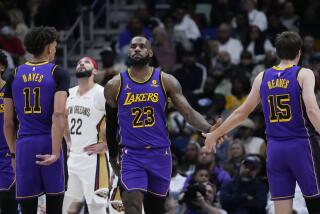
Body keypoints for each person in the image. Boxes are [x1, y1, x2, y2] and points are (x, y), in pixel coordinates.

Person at [204, 31, 320, 214]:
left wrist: (215, 134)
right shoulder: (304, 74)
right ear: (299, 52)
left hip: (274, 149)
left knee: (281, 210)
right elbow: (313, 110)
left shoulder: (262, 77)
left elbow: (241, 113)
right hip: (301, 145)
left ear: (277, 52)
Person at [104, 36, 221, 214]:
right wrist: (113, 156)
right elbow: (112, 124)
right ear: (128, 52)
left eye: (142, 46)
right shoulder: (114, 85)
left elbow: (188, 112)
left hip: (160, 154)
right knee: (132, 205)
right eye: (133, 46)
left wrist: (209, 128)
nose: (136, 49)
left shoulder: (165, 80)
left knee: (155, 209)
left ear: (150, 52)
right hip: (132, 155)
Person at [3, 26, 70, 214]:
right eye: (55, 46)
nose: (55, 50)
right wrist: (56, 153)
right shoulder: (58, 73)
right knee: (55, 204)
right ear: (48, 48)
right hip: (49, 141)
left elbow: (8, 123)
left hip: (24, 144)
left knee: (27, 206)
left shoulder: (13, 75)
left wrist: (14, 154)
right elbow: (58, 114)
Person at [63, 56, 109, 214]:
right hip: (73, 158)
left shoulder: (102, 93)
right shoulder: (68, 94)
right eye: (79, 62)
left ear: (95, 70)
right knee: (69, 208)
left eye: (86, 62)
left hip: (94, 160)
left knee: (97, 207)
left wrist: (107, 145)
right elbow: (61, 119)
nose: (81, 64)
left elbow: (121, 120)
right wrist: (68, 140)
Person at [0, 50, 18, 213]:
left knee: (7, 201)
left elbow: (14, 123)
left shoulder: (10, 90)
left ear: (2, 67)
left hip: (6, 154)